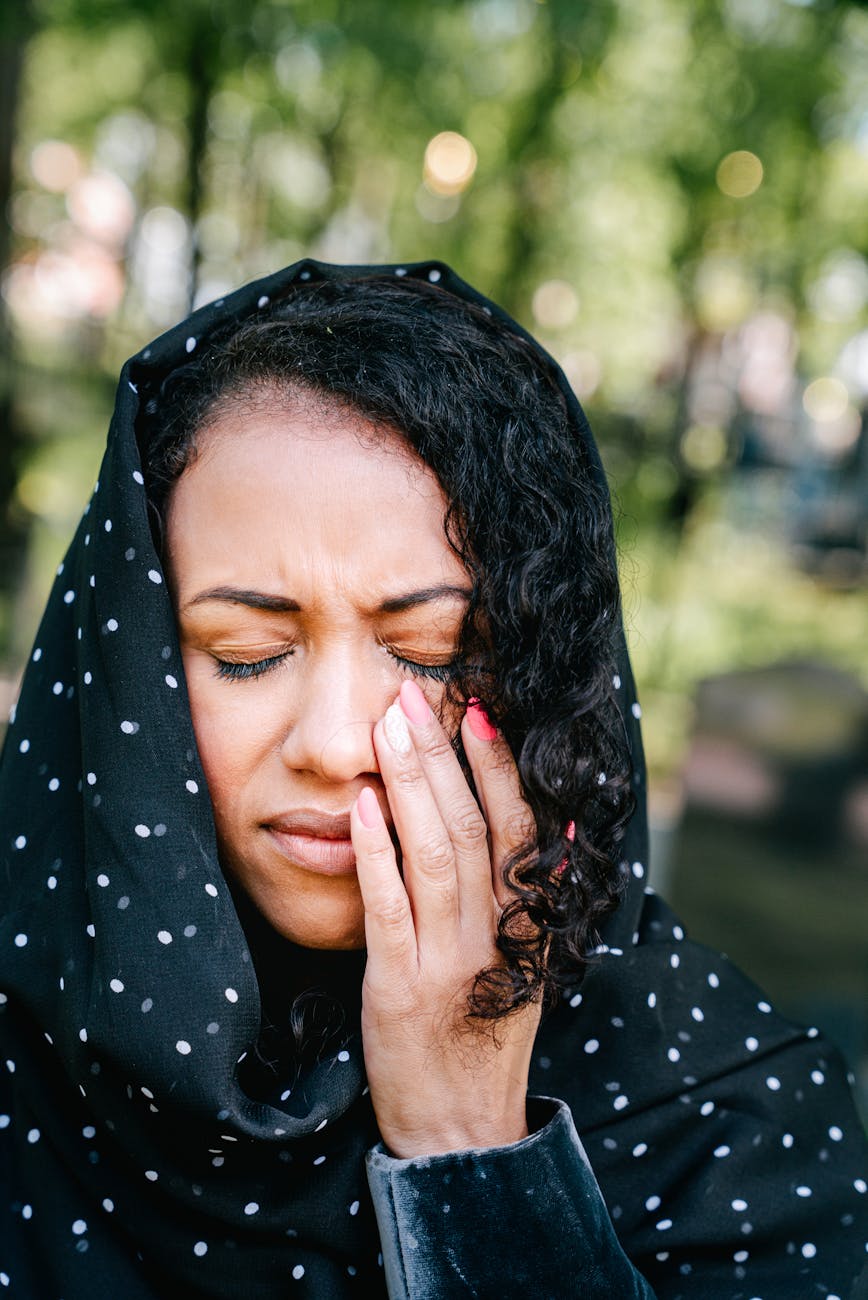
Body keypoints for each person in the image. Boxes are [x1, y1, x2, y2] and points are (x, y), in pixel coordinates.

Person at [0, 259, 865, 1300]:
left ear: (544, 678)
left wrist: (471, 1152)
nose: (332, 742)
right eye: (244, 653)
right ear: (130, 665)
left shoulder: (733, 1120)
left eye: (428, 648)